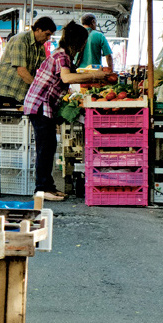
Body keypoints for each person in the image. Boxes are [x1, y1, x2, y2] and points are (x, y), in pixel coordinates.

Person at [23, 19, 109, 200]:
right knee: (45, 148)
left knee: (49, 146)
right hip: (39, 104)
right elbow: (67, 78)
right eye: (83, 42)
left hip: (42, 105)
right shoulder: (62, 56)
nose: (84, 45)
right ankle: (41, 189)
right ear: (78, 42)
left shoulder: (64, 56)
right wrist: (95, 75)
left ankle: (48, 186)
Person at [0, 15, 57, 111]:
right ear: (38, 29)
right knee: (9, 123)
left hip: (21, 92)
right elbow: (21, 71)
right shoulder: (20, 40)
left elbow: (45, 68)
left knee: (21, 123)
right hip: (5, 91)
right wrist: (40, 88)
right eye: (47, 34)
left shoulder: (40, 46)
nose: (48, 38)